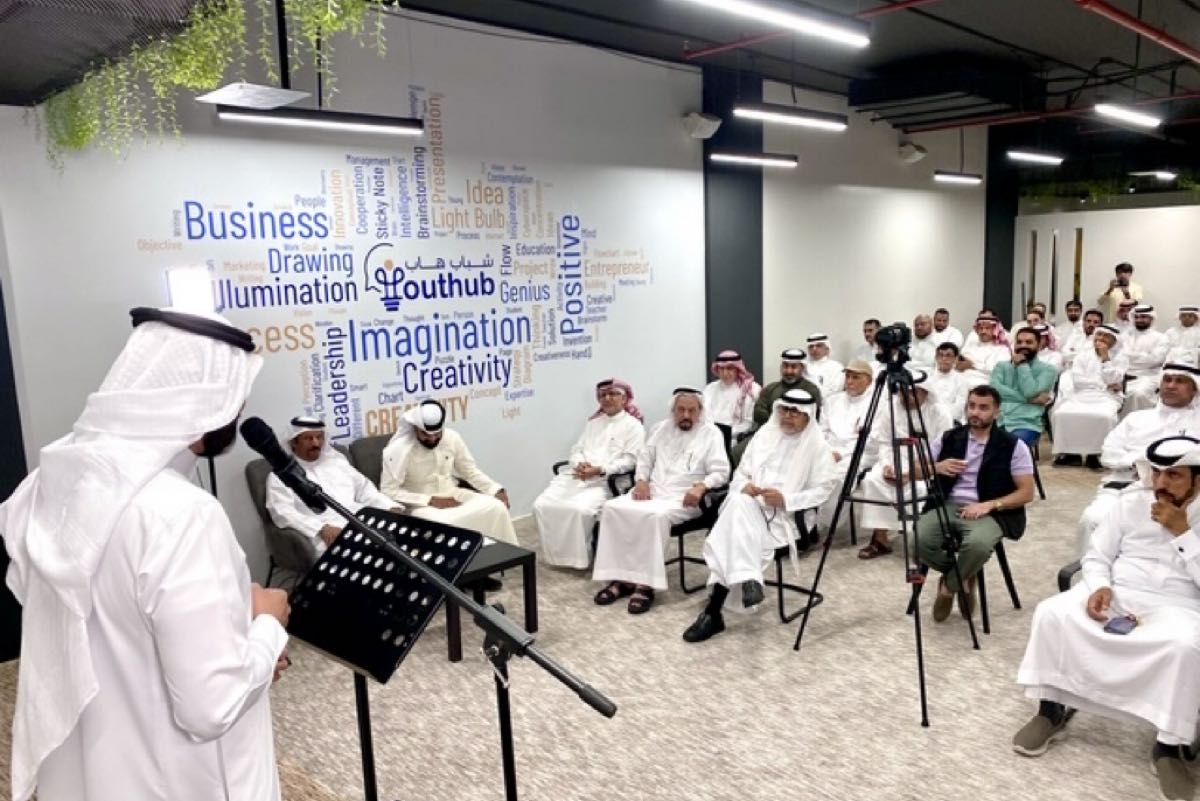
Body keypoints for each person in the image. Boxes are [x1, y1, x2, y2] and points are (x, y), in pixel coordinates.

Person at [0, 307, 290, 801]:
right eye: (235, 393)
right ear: (205, 404)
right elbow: (212, 706)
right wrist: (267, 624)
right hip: (177, 782)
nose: (240, 408)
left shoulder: (54, 481)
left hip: (89, 774)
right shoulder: (181, 514)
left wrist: (228, 624)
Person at [1013, 436, 1200, 801]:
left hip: (1179, 604)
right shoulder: (1130, 502)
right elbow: (1097, 556)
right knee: (1052, 613)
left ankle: (1168, 746)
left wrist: (1183, 533)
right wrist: (1099, 586)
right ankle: (1050, 710)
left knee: (1184, 648)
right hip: (1119, 590)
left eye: (1174, 475)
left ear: (1197, 480)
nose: (1161, 483)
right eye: (1156, 473)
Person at [682, 388, 837, 642]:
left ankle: (714, 611)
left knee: (733, 520)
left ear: (808, 416)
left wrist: (787, 500)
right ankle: (748, 577)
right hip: (751, 506)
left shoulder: (818, 447)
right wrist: (744, 485)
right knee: (739, 501)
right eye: (784, 409)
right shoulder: (764, 435)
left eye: (795, 412)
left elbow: (823, 490)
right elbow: (741, 473)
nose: (788, 416)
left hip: (785, 518)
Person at [591, 387, 730, 614]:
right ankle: (621, 579)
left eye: (691, 411)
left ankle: (645, 586)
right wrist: (641, 481)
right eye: (681, 410)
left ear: (700, 411)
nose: (686, 415)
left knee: (654, 517)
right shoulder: (659, 429)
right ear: (673, 410)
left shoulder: (711, 433)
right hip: (653, 491)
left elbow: (721, 472)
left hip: (685, 498)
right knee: (611, 508)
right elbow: (644, 460)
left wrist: (702, 486)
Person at [914, 385, 1036, 622]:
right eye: (971, 406)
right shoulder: (949, 438)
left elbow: (1026, 492)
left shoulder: (1013, 445)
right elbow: (916, 470)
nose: (975, 412)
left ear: (997, 412)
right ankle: (964, 576)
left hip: (989, 511)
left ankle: (948, 587)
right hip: (947, 504)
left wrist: (990, 505)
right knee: (917, 541)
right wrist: (936, 467)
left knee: (978, 546)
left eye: (983, 408)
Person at [1074, 364, 1200, 553]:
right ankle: (1094, 569)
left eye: (1180, 381)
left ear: (1194, 389)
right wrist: (1138, 464)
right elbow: (1109, 452)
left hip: (1181, 494)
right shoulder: (1136, 419)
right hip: (1125, 484)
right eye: (1167, 380)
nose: (1171, 385)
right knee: (1093, 518)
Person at [533, 379, 645, 568]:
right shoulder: (593, 424)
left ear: (624, 399)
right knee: (541, 505)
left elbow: (630, 461)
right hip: (578, 476)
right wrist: (579, 464)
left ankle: (578, 559)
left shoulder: (633, 426)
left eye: (613, 394)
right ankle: (556, 557)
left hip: (607, 481)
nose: (607, 398)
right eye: (603, 395)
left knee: (579, 510)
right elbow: (576, 449)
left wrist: (600, 469)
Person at [380, 399, 518, 547]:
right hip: (419, 504)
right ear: (415, 428)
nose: (432, 439)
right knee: (444, 524)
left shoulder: (452, 438)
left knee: (496, 507)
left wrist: (495, 489)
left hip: (452, 493)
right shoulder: (398, 450)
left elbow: (469, 471)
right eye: (426, 434)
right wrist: (429, 500)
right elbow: (388, 491)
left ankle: (503, 555)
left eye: (437, 433)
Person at [266, 416, 402, 555]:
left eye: (319, 437)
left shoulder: (336, 461)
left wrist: (389, 507)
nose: (315, 443)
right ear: (293, 442)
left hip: (359, 519)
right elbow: (282, 512)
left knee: (402, 535)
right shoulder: (282, 476)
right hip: (325, 531)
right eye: (308, 438)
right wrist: (321, 528)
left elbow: (364, 489)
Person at [854, 371, 953, 560]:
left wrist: (912, 473)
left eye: (911, 392)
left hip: (926, 465)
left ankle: (922, 540)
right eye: (902, 391)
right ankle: (880, 539)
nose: (905, 396)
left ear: (925, 392)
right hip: (894, 460)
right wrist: (887, 465)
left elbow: (943, 448)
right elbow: (884, 442)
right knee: (872, 480)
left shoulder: (939, 412)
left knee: (919, 488)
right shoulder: (890, 408)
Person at [1051, 324, 1128, 469]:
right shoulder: (1083, 355)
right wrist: (1104, 385)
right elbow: (1078, 381)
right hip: (1082, 395)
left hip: (1108, 397)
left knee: (1105, 417)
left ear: (1114, 341)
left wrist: (1105, 358)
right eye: (1099, 334)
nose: (1101, 339)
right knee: (1061, 413)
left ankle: (1097, 454)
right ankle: (1070, 454)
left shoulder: (1121, 358)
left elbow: (1114, 378)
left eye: (1106, 336)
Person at [733, 348, 822, 466]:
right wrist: (779, 421)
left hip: (798, 437)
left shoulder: (811, 390)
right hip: (769, 433)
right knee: (736, 453)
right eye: (785, 366)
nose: (789, 371)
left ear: (802, 368)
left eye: (793, 367)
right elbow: (758, 413)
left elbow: (812, 417)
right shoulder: (771, 388)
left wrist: (786, 421)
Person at [816, 360, 875, 530]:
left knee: (837, 476)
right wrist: (826, 451)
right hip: (828, 450)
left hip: (861, 453)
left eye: (855, 377)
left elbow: (871, 440)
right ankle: (803, 520)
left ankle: (825, 524)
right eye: (847, 376)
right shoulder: (832, 401)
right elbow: (821, 431)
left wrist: (841, 454)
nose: (849, 381)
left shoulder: (876, 404)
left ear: (869, 381)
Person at [990, 326, 1058, 448]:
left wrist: (1022, 365)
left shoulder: (1048, 370)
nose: (1023, 345)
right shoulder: (1001, 366)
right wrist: (1029, 400)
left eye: (1029, 342)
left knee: (1009, 447)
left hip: (1026, 424)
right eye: (1019, 342)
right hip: (998, 421)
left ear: (1039, 346)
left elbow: (1029, 392)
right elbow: (994, 391)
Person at [702, 349, 761, 441]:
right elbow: (704, 416)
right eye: (721, 369)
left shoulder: (751, 389)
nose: (725, 373)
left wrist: (727, 433)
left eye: (729, 368)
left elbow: (749, 423)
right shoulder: (709, 389)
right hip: (710, 436)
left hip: (737, 439)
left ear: (738, 369)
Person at [1122, 305, 1171, 415]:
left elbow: (1155, 360)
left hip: (1148, 376)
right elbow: (1120, 356)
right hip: (1123, 375)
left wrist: (1130, 357)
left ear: (1151, 318)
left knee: (1138, 394)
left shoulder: (1161, 338)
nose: (1139, 320)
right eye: (1136, 317)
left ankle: (1138, 422)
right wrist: (1144, 356)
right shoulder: (1125, 335)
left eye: (1143, 317)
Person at [957, 314, 1010, 388]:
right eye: (981, 328)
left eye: (987, 328)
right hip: (961, 383)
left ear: (994, 330)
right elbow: (959, 364)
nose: (983, 331)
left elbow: (996, 370)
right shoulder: (970, 346)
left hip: (986, 385)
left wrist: (972, 365)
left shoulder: (1003, 350)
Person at [928, 342, 968, 423]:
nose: (944, 359)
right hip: (927, 418)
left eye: (948, 355)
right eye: (940, 355)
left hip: (949, 420)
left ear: (956, 359)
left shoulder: (962, 380)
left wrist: (941, 417)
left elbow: (959, 408)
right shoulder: (928, 377)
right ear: (936, 358)